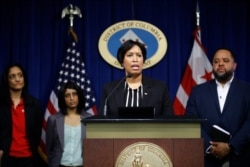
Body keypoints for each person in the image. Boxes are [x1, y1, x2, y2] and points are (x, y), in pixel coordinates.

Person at [185, 48, 250, 167]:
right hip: (206, 159)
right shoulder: (198, 92)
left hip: (240, 157)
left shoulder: (247, 90)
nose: (220, 64)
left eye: (225, 60)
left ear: (234, 65)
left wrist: (231, 146)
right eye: (216, 61)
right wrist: (210, 146)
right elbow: (190, 121)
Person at [99, 39, 173, 116]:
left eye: (139, 55)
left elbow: (169, 121)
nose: (135, 60)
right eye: (130, 55)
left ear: (143, 61)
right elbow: (102, 122)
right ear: (122, 62)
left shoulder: (159, 88)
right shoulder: (110, 90)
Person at [0, 63, 44, 167]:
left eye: (20, 75)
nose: (17, 79)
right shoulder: (1, 105)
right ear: (7, 80)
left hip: (29, 159)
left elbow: (37, 134)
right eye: (12, 76)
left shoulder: (34, 104)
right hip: (7, 159)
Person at [46, 81, 91, 167]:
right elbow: (49, 148)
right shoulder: (53, 120)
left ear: (79, 96)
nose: (71, 98)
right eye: (67, 95)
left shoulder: (89, 119)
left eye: (74, 94)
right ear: (63, 98)